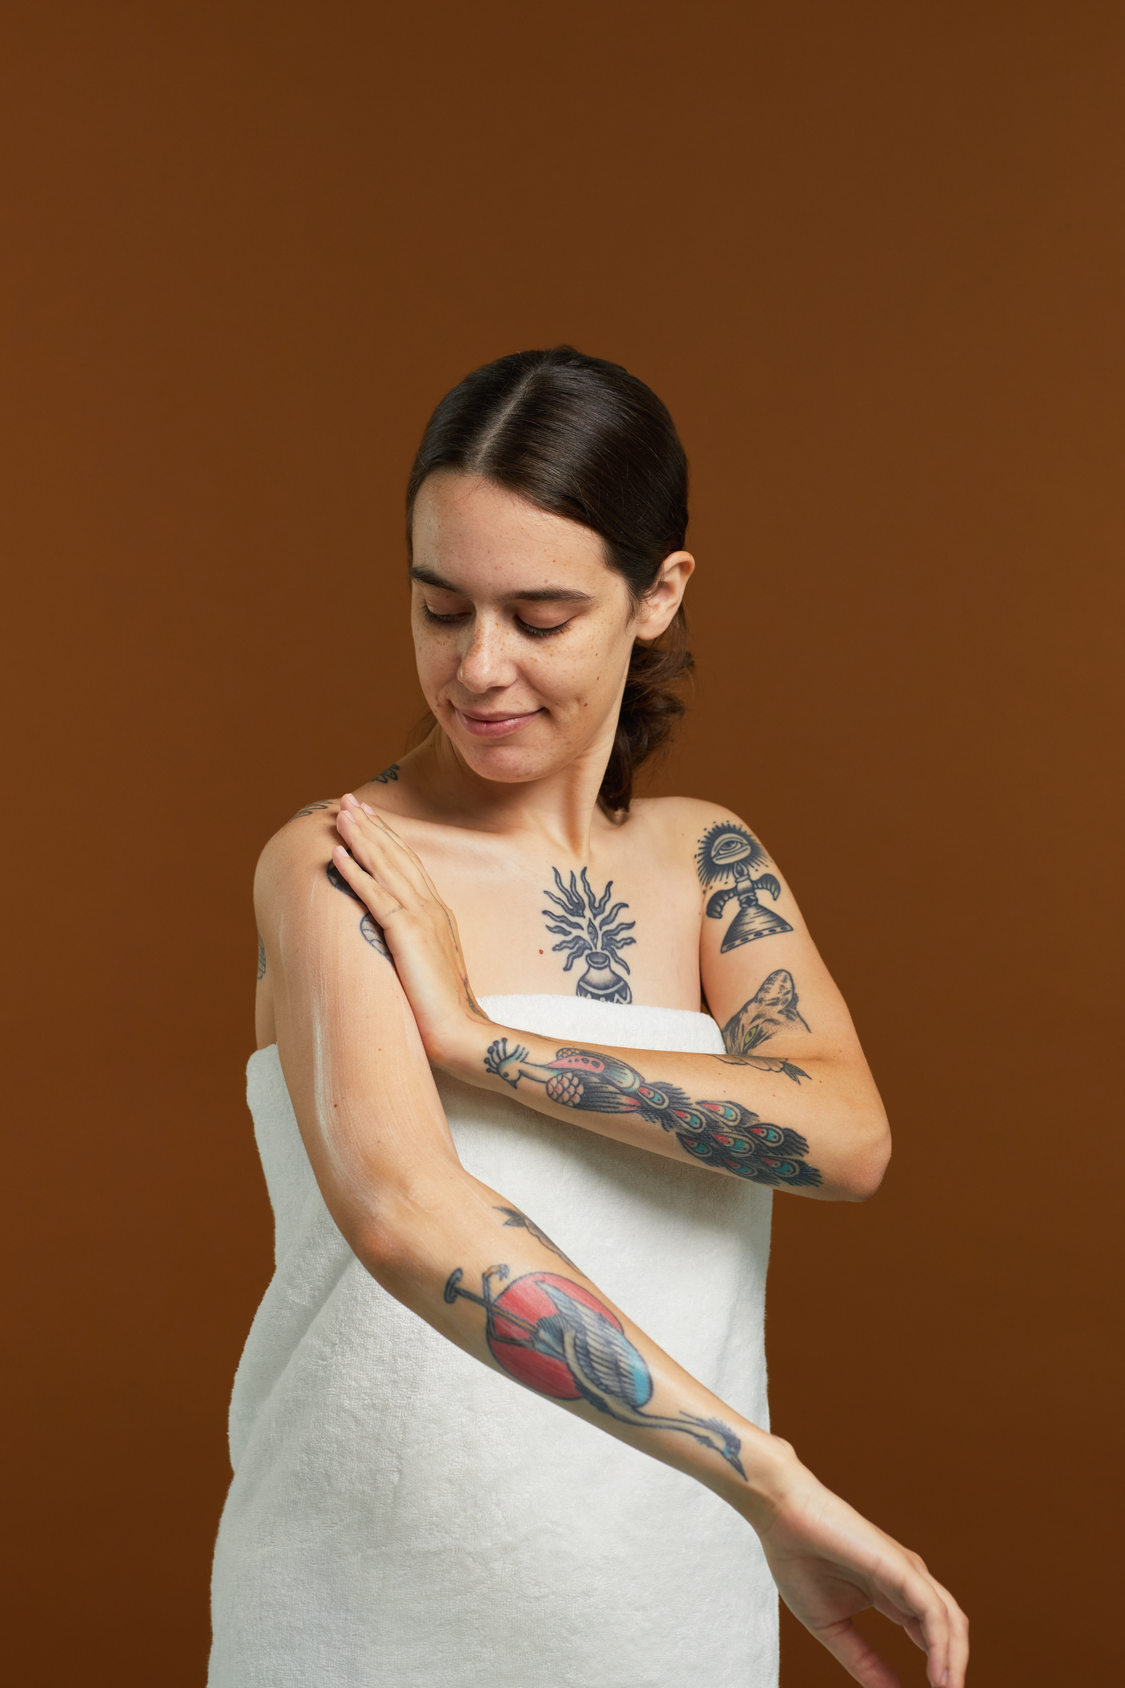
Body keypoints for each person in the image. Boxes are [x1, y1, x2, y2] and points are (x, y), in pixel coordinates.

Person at [210, 347, 968, 1688]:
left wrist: (479, 1041)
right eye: (440, 608)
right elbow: (406, 1212)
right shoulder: (342, 865)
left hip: (671, 1612)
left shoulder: (708, 864)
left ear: (657, 595)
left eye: (540, 617)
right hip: (374, 1612)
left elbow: (848, 1140)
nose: (479, 667)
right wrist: (768, 1479)